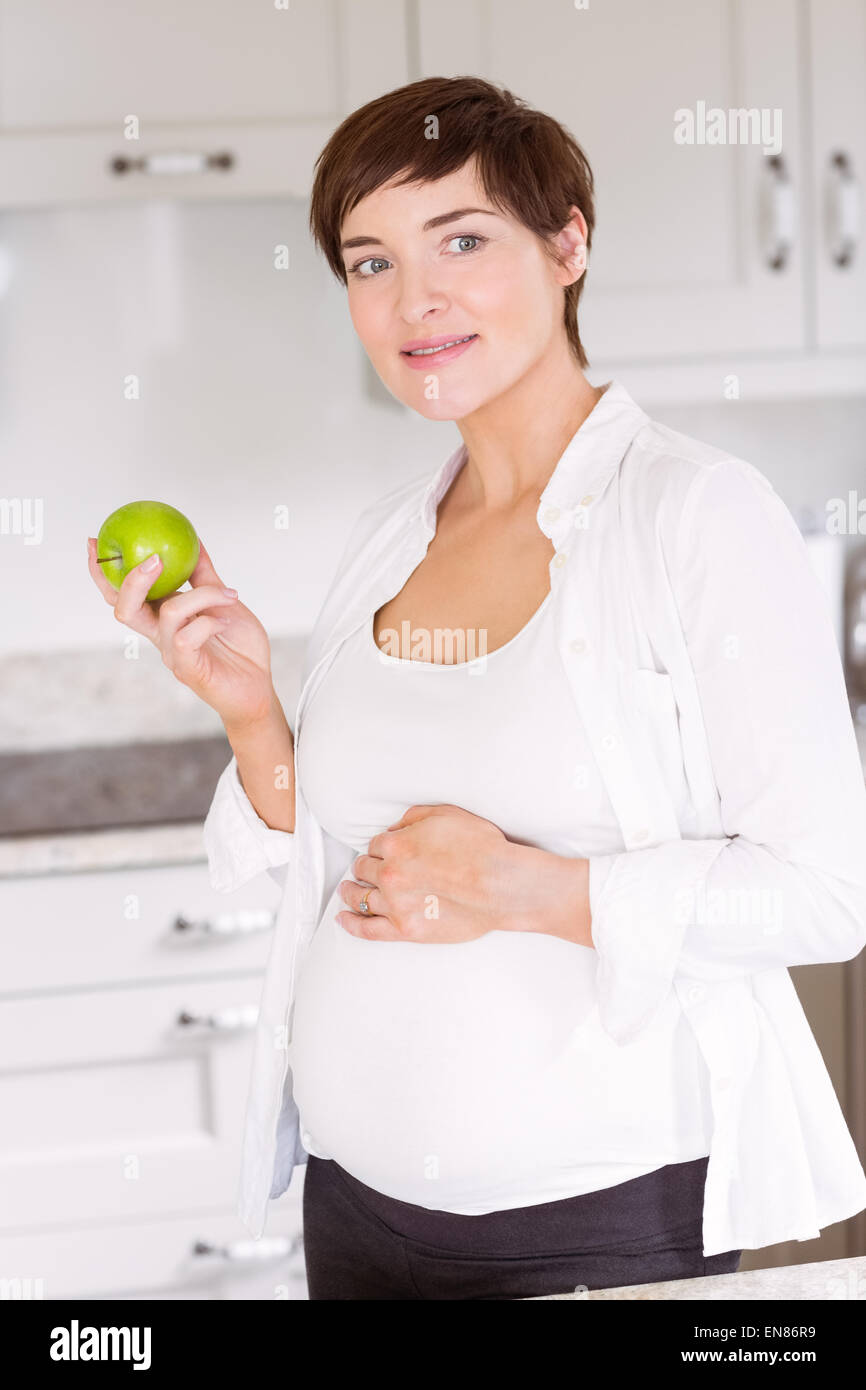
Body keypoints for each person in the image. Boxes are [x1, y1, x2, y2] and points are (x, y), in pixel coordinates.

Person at [88, 76, 866, 1302]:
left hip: (587, 1231)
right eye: (370, 261)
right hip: (353, 1216)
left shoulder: (693, 513)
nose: (416, 299)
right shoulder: (391, 535)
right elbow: (328, 857)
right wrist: (249, 713)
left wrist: (526, 887)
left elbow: (826, 893)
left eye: (461, 240)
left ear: (566, 244)